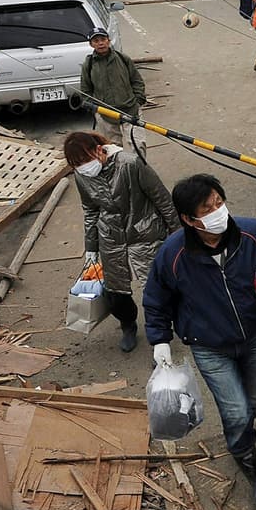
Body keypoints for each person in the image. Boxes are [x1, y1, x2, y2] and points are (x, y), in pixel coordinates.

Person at [142, 174, 256, 507]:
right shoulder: (173, 255)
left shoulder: (253, 233)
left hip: (253, 336)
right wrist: (160, 340)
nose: (218, 211)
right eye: (207, 208)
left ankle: (243, 437)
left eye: (219, 202)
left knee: (252, 403)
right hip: (208, 345)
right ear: (189, 219)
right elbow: (156, 298)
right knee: (236, 411)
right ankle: (250, 464)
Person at [63, 130, 179, 353]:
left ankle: (160, 340)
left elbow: (162, 199)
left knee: (154, 289)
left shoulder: (130, 163)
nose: (84, 166)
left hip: (145, 233)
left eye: (86, 159)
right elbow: (90, 211)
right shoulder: (82, 176)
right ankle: (128, 324)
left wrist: (177, 235)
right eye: (77, 164)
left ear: (99, 149)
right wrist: (91, 248)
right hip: (111, 238)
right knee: (116, 292)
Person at [80, 29, 148, 153]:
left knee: (138, 145)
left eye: (103, 39)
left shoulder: (123, 58)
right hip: (105, 114)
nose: (100, 43)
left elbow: (137, 81)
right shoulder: (88, 64)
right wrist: (95, 109)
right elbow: (85, 90)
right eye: (96, 41)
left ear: (108, 41)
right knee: (113, 149)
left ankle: (139, 171)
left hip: (131, 110)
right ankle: (120, 171)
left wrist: (138, 100)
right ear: (91, 44)